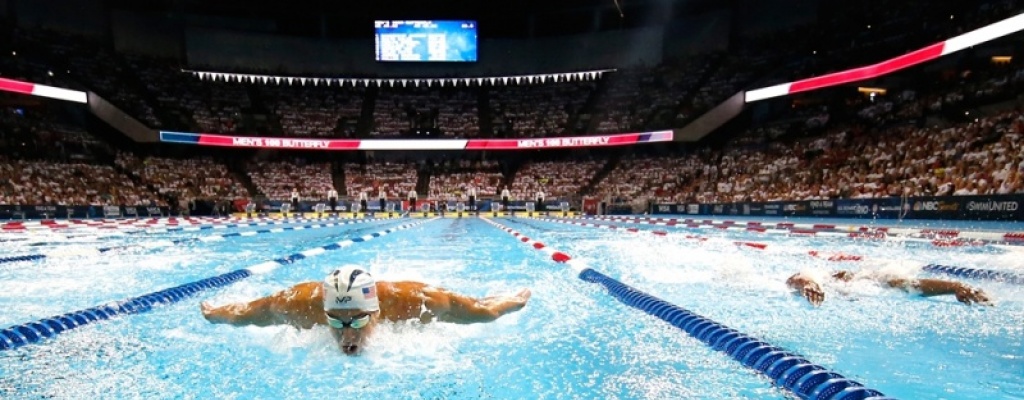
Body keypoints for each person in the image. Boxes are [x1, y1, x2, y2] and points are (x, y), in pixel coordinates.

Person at [200, 267, 531, 355]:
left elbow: (477, 309)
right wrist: (217, 313)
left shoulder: (412, 302)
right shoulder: (297, 305)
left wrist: (505, 304)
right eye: (336, 321)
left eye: (358, 320)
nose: (347, 334)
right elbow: (246, 312)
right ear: (323, 310)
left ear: (376, 311)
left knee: (481, 313)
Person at [786, 269, 992, 307]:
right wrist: (809, 283)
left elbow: (911, 285)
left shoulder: (861, 280)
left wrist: (956, 286)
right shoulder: (822, 281)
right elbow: (797, 277)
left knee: (895, 281)